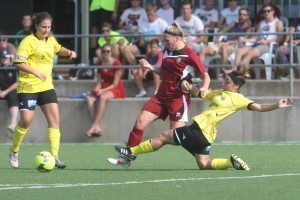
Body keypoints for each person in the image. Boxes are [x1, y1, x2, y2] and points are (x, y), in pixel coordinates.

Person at [114, 64, 293, 170]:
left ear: (236, 87)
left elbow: (259, 106)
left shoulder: (239, 99)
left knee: (163, 137)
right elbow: (199, 93)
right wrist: (187, 84)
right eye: (224, 80)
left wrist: (277, 105)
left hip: (198, 130)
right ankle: (231, 163)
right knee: (204, 164)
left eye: (227, 82)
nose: (224, 82)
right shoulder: (218, 93)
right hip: (207, 137)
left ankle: (131, 151)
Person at [107, 21, 210, 168]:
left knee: (176, 136)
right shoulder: (167, 51)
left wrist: (204, 88)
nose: (164, 43)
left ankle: (202, 152)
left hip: (178, 99)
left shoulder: (189, 53)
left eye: (167, 40)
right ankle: (127, 157)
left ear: (177, 38)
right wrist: (150, 66)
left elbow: (205, 75)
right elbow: (163, 71)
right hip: (161, 96)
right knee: (139, 122)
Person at [9, 12, 77, 169]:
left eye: (49, 27)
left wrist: (69, 52)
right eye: (43, 27)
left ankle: (55, 156)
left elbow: (58, 49)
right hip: (28, 86)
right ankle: (14, 150)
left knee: (54, 121)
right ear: (36, 26)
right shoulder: (28, 41)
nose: (46, 30)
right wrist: (35, 72)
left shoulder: (50, 40)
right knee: (26, 120)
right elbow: (18, 62)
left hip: (46, 86)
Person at [85, 44, 125, 137]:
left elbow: (115, 84)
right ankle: (97, 126)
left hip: (115, 88)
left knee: (102, 97)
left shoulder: (116, 63)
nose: (106, 53)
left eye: (108, 51)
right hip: (104, 86)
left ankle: (93, 126)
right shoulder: (99, 63)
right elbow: (99, 82)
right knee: (89, 98)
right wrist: (97, 88)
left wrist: (102, 91)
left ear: (111, 52)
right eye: (104, 51)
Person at [199, 7, 252, 75]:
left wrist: (229, 42)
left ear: (247, 16)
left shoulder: (249, 29)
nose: (241, 16)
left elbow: (242, 40)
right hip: (222, 43)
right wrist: (218, 38)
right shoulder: (233, 23)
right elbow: (222, 31)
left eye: (244, 15)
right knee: (204, 49)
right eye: (240, 14)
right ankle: (201, 72)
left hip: (233, 46)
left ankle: (223, 71)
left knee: (224, 47)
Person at [234, 4, 284, 70]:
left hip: (269, 46)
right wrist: (245, 40)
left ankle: (238, 73)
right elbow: (256, 37)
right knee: (239, 51)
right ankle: (234, 72)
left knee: (249, 53)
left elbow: (280, 38)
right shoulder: (261, 23)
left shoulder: (278, 22)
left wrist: (267, 41)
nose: (266, 13)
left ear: (273, 11)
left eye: (268, 11)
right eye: (264, 11)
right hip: (258, 44)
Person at [0, 50, 18, 132]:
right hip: (1, 91)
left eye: (5, 58)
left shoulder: (14, 68)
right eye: (2, 58)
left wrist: (5, 92)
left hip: (10, 91)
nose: (4, 59)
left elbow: (18, 83)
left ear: (9, 58)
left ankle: (13, 123)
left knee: (13, 96)